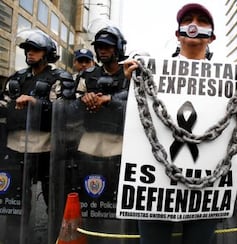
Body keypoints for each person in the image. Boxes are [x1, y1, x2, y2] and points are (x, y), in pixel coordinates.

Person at [122, 3, 237, 244]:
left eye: (201, 21)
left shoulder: (232, 76)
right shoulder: (152, 71)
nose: (194, 25)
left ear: (212, 36)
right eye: (188, 20)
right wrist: (131, 81)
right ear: (178, 33)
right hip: (155, 183)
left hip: (206, 187)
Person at [0, 29, 73, 243]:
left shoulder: (59, 78)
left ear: (47, 52)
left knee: (54, 202)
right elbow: (4, 106)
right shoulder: (17, 78)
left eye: (36, 49)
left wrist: (37, 104)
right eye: (28, 49)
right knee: (16, 202)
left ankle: (56, 239)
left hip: (47, 150)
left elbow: (64, 109)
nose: (30, 53)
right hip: (16, 148)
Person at [71, 25, 137, 243]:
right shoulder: (86, 75)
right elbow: (69, 106)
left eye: (107, 46)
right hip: (90, 147)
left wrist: (110, 99)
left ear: (118, 47)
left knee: (123, 205)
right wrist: (84, 100)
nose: (102, 50)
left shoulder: (131, 72)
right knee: (92, 203)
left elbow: (138, 102)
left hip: (122, 148)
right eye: (99, 46)